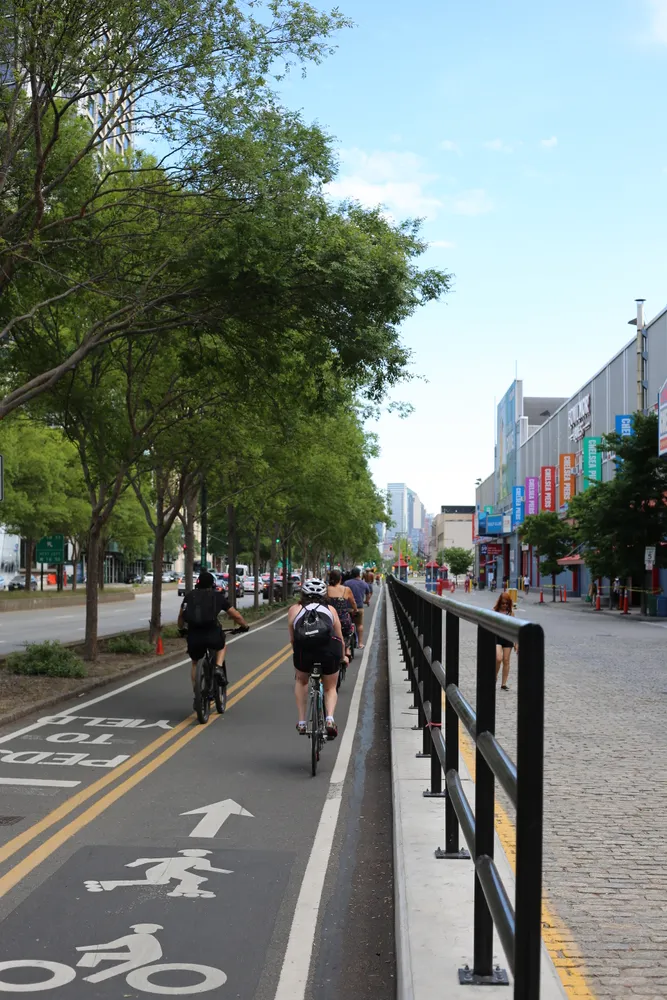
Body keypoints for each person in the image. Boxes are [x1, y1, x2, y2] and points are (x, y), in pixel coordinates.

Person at [289, 578, 347, 740]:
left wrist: (299, 655)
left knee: (301, 681)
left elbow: (293, 640)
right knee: (330, 687)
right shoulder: (331, 610)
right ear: (324, 594)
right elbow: (340, 638)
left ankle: (301, 721)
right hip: (328, 652)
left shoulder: (295, 609)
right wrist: (343, 657)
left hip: (304, 652)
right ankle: (329, 719)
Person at [178, 570, 249, 700]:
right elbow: (235, 615)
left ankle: (197, 693)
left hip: (194, 634)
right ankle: (218, 667)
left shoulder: (189, 596)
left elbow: (181, 616)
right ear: (212, 584)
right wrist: (244, 626)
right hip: (212, 633)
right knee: (221, 645)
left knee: (195, 662)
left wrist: (181, 629)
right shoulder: (217, 596)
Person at [327, 570, 357, 658]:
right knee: (348, 631)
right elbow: (353, 602)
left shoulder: (326, 589)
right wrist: (355, 610)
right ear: (340, 578)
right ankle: (346, 649)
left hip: (329, 618)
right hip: (343, 618)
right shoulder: (346, 589)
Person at [494, 590, 517, 691]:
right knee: (498, 658)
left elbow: (514, 628)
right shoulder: (494, 611)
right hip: (497, 637)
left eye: (506, 603)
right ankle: (494, 676)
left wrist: (516, 642)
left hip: (508, 638)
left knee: (506, 660)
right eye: (503, 603)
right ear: (500, 602)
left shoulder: (511, 613)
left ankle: (503, 684)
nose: (504, 605)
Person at [346, 567, 372, 648]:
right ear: (359, 574)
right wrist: (367, 601)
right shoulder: (364, 584)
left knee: (346, 625)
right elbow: (368, 594)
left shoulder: (346, 583)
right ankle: (360, 643)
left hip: (348, 608)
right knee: (359, 625)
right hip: (359, 608)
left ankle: (346, 642)